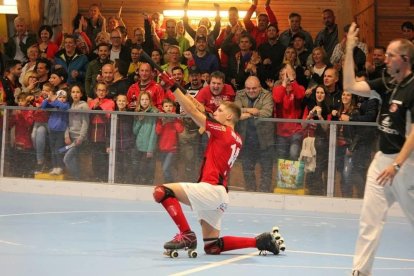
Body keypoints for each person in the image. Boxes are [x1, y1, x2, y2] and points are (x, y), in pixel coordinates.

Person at [155, 71, 281, 256]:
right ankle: (259, 242)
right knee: (212, 246)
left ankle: (186, 234)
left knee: (161, 191)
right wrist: (193, 101)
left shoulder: (222, 131)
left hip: (210, 189)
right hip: (220, 196)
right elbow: (200, 109)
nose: (216, 112)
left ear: (229, 117)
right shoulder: (235, 137)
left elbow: (192, 111)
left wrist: (172, 87)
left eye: (220, 110)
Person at [343, 22, 414, 276]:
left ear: (404, 59)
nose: (385, 59)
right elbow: (350, 85)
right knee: (369, 220)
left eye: (390, 55)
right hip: (382, 161)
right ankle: (360, 271)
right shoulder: (385, 83)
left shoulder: (413, 88)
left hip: (407, 165)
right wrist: (349, 48)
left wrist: (397, 165)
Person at [234, 76, 274, 192]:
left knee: (266, 172)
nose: (251, 91)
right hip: (246, 140)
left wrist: (245, 111)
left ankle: (264, 195)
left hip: (265, 140)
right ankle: (250, 194)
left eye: (254, 88)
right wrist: (253, 111)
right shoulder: (240, 94)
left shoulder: (267, 95)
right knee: (247, 170)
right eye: (248, 88)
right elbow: (235, 110)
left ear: (260, 87)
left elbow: (267, 112)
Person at [41, 89, 70, 176]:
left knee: (58, 150)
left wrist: (55, 100)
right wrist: (47, 98)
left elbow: (64, 107)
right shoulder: (54, 103)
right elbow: (43, 106)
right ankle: (54, 167)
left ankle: (60, 167)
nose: (62, 99)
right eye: (60, 97)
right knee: (53, 150)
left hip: (61, 132)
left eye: (64, 97)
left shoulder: (66, 105)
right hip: (52, 131)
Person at [63, 84, 89, 180]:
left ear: (81, 94)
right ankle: (77, 177)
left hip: (78, 140)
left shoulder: (84, 106)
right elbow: (67, 123)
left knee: (67, 159)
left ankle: (76, 177)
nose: (75, 94)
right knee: (72, 159)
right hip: (71, 138)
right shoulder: (70, 105)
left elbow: (85, 123)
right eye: (73, 92)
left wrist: (81, 137)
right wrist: (66, 136)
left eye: (78, 92)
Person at [132, 91, 158, 185]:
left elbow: (154, 132)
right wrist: (139, 120)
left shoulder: (155, 112)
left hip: (149, 147)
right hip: (138, 145)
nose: (144, 101)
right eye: (142, 99)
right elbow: (135, 131)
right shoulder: (137, 112)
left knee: (148, 170)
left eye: (146, 99)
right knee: (137, 168)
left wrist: (150, 149)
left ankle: (148, 185)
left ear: (150, 101)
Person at [155, 98, 184, 183]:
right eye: (166, 106)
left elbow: (180, 130)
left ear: (173, 108)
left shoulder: (175, 118)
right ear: (163, 108)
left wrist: (175, 120)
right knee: (166, 169)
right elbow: (158, 131)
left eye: (170, 106)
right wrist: (162, 122)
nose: (168, 108)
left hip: (172, 149)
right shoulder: (161, 119)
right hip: (162, 148)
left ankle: (170, 184)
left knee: (165, 169)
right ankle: (169, 184)